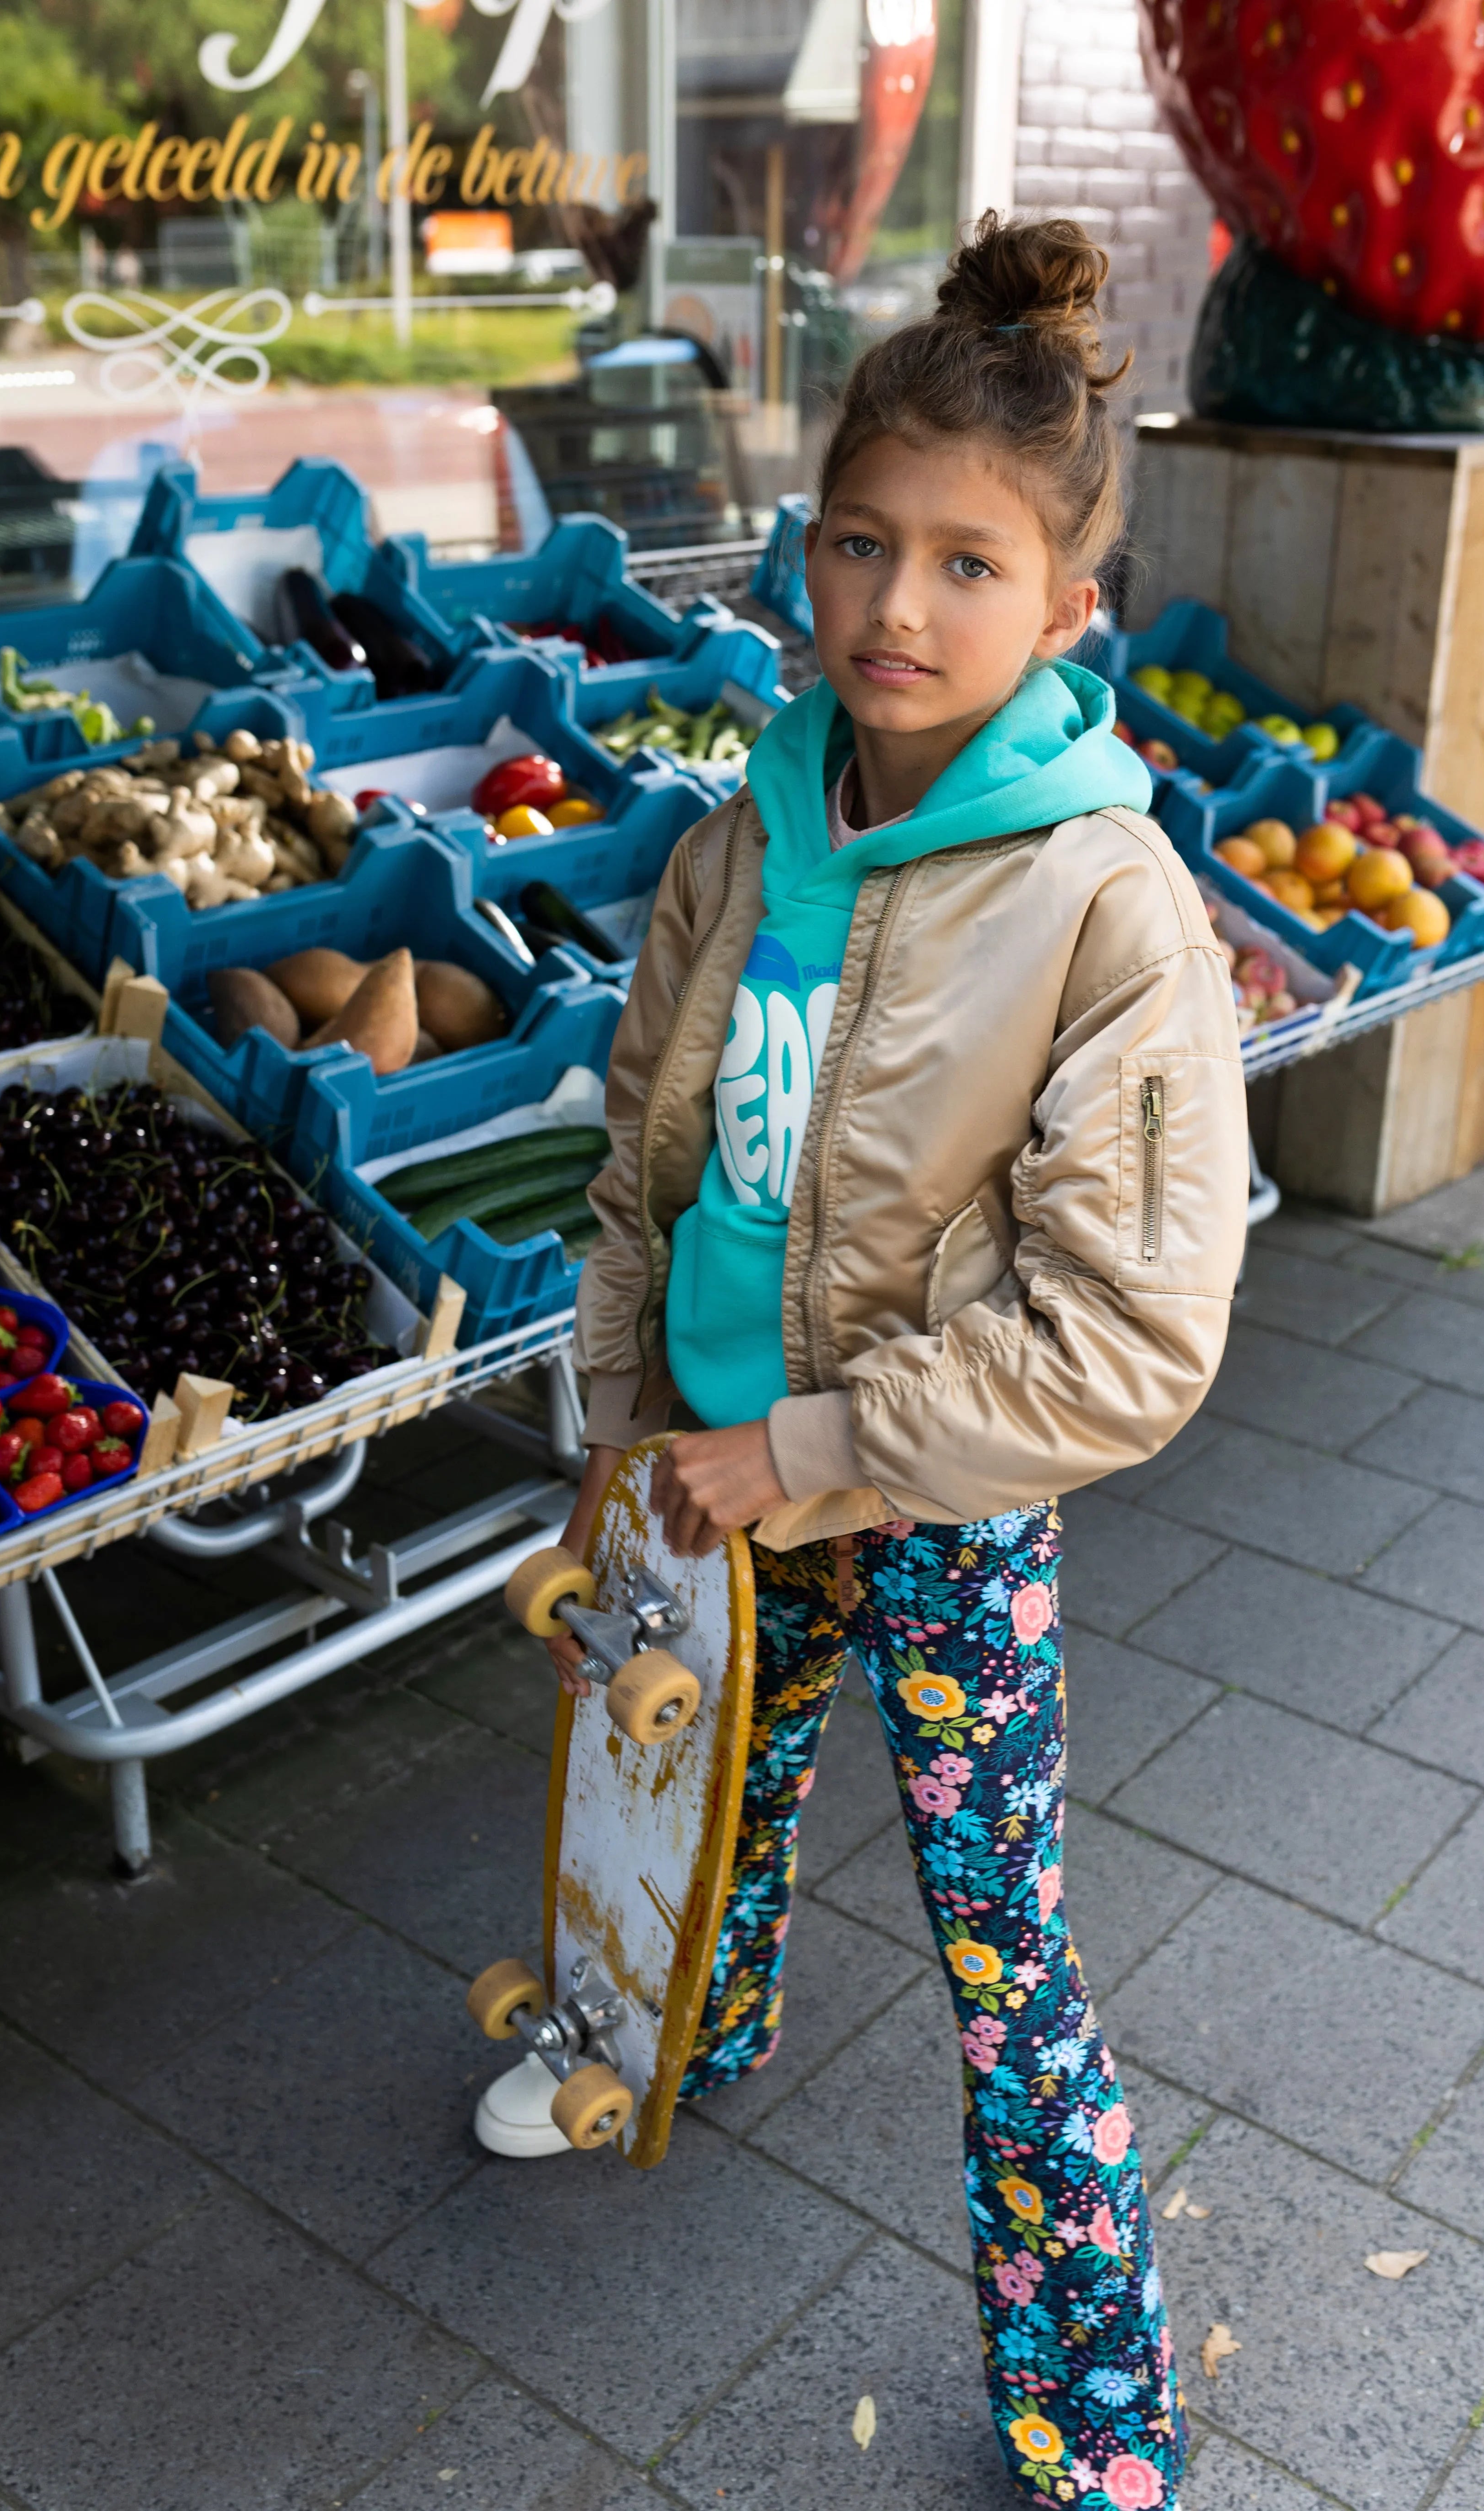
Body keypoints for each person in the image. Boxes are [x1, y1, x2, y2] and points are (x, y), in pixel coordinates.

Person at [475, 212, 1248, 2510]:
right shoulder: (749, 831)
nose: (900, 610)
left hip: (916, 1498)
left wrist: (809, 1448)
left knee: (1002, 1950)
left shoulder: (1109, 909)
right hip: (707, 1470)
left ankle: (1096, 2390)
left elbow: (1130, 1336)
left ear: (1066, 605)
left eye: (971, 566)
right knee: (687, 1782)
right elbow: (646, 1159)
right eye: (859, 546)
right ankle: (676, 2032)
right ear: (807, 553)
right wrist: (637, 1435)